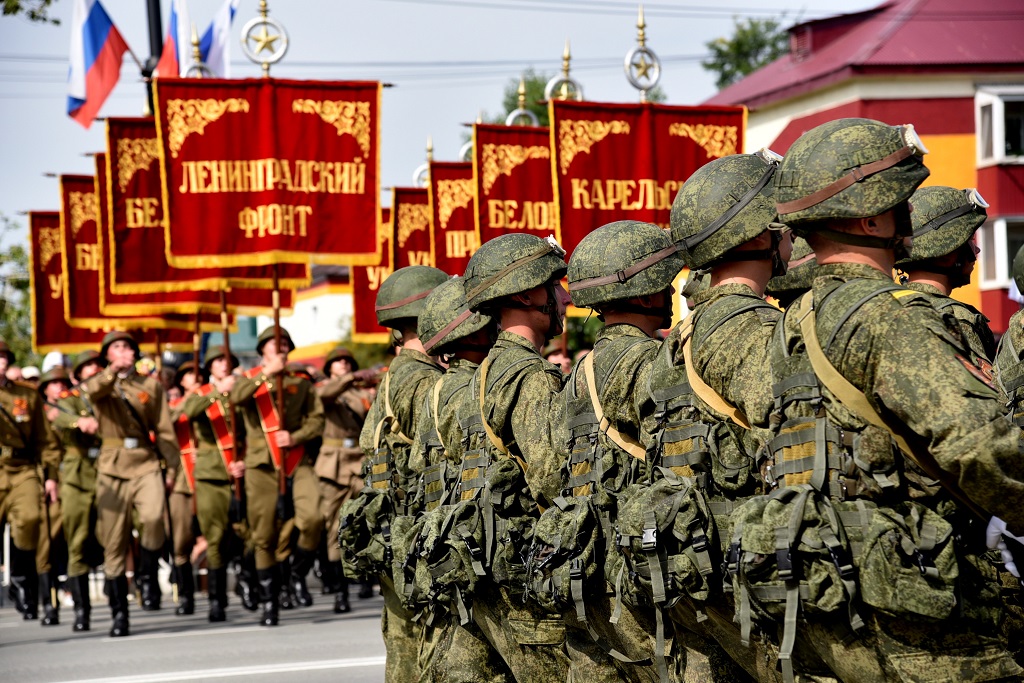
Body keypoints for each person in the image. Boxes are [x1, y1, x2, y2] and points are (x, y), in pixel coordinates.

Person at [759, 117, 1022, 681]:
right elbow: (981, 447)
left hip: (832, 593)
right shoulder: (889, 316)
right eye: (902, 196)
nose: (911, 210)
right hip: (924, 610)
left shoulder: (793, 322)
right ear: (870, 217)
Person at [651, 149, 794, 681]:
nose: (789, 237)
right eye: (779, 224)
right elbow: (790, 423)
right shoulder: (747, 326)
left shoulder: (685, 331)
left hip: (700, 555)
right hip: (744, 564)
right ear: (757, 238)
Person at [459, 233, 609, 681]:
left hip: (491, 561)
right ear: (527, 293)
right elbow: (554, 477)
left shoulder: (485, 369)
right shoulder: (530, 376)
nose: (564, 297)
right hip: (525, 574)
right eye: (554, 286)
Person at [564, 219, 698, 682]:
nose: (671, 294)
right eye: (664, 284)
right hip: (645, 562)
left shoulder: (577, 373)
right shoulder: (648, 361)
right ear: (644, 295)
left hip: (599, 556)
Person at [408, 276, 513, 683]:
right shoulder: (480, 385)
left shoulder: (438, 390)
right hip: (483, 550)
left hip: (451, 547)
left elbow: (423, 466)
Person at [354, 265, 448, 681]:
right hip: (415, 538)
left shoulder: (395, 377)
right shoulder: (422, 381)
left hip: (392, 534)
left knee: (404, 651)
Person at [80, 331, 179, 638]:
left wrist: (173, 467)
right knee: (114, 541)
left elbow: (163, 428)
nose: (123, 352)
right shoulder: (100, 383)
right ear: (107, 355)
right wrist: (111, 372)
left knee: (153, 518)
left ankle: (147, 572)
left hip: (145, 462)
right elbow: (90, 392)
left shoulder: (150, 385)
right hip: (111, 466)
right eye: (116, 348)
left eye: (127, 347)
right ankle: (119, 614)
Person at [229, 326, 324, 627]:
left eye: (284, 343)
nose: (279, 348)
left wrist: (295, 437)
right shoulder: (248, 381)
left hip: (295, 459)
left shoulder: (300, 383)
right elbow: (235, 399)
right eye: (273, 343)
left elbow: (317, 421)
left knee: (313, 518)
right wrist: (264, 374)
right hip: (261, 464)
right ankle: (270, 602)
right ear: (262, 351)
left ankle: (296, 572)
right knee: (264, 535)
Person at [181, 346, 246, 622]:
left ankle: (250, 583)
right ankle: (217, 601)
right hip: (211, 474)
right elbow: (190, 410)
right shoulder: (200, 393)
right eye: (219, 360)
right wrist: (220, 393)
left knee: (250, 533)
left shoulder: (242, 390)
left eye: (228, 360)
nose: (225, 364)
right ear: (209, 366)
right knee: (215, 537)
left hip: (241, 469)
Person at [895, 185, 995, 363]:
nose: (977, 250)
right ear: (948, 252)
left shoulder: (886, 306)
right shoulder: (955, 321)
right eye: (970, 241)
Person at [0, 339, 62, 623]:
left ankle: (21, 577)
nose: (0, 362)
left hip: (22, 467)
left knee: (31, 519)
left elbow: (45, 440)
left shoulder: (28, 395)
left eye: (3, 357)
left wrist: (50, 476)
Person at [314, 345, 373, 614]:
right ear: (329, 368)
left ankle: (364, 577)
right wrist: (348, 380)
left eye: (347, 361)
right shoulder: (324, 389)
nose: (344, 364)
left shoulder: (361, 393)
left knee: (368, 519)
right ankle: (340, 590)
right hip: (333, 462)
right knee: (335, 527)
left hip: (359, 460)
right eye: (338, 362)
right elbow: (323, 395)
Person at [53, 350, 105, 632]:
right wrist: (79, 422)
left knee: (113, 534)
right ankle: (82, 611)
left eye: (98, 366)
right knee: (78, 540)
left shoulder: (109, 398)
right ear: (78, 374)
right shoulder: (69, 400)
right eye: (88, 367)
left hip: (108, 472)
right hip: (77, 477)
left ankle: (124, 595)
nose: (94, 370)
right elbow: (58, 417)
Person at [37, 366, 74, 627]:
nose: (60, 386)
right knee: (46, 542)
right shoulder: (37, 414)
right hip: (47, 480)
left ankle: (73, 590)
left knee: (75, 537)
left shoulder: (73, 407)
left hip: (73, 478)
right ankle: (48, 602)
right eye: (54, 383)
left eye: (63, 382)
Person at [166, 360, 202, 615]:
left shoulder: (217, 397)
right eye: (189, 374)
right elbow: (165, 421)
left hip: (214, 473)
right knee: (180, 541)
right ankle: (186, 595)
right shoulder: (174, 406)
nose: (194, 377)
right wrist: (192, 398)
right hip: (182, 478)